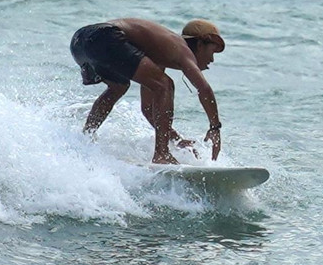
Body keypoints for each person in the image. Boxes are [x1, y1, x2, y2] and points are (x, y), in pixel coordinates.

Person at [69, 18, 225, 164]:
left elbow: (148, 110)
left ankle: (86, 137)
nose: (212, 59)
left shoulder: (160, 53)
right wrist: (215, 127)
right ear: (199, 45)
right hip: (103, 36)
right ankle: (161, 154)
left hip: (80, 42)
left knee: (119, 87)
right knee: (165, 85)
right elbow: (204, 89)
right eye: (212, 51)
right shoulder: (183, 50)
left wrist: (176, 140)